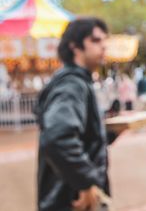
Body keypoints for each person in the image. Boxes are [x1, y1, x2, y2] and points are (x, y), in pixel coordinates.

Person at [35, 17, 112, 211]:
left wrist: (110, 133)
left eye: (104, 40)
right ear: (75, 46)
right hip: (70, 201)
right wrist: (86, 182)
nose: (103, 46)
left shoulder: (78, 81)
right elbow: (57, 138)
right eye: (95, 40)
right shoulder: (72, 85)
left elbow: (79, 137)